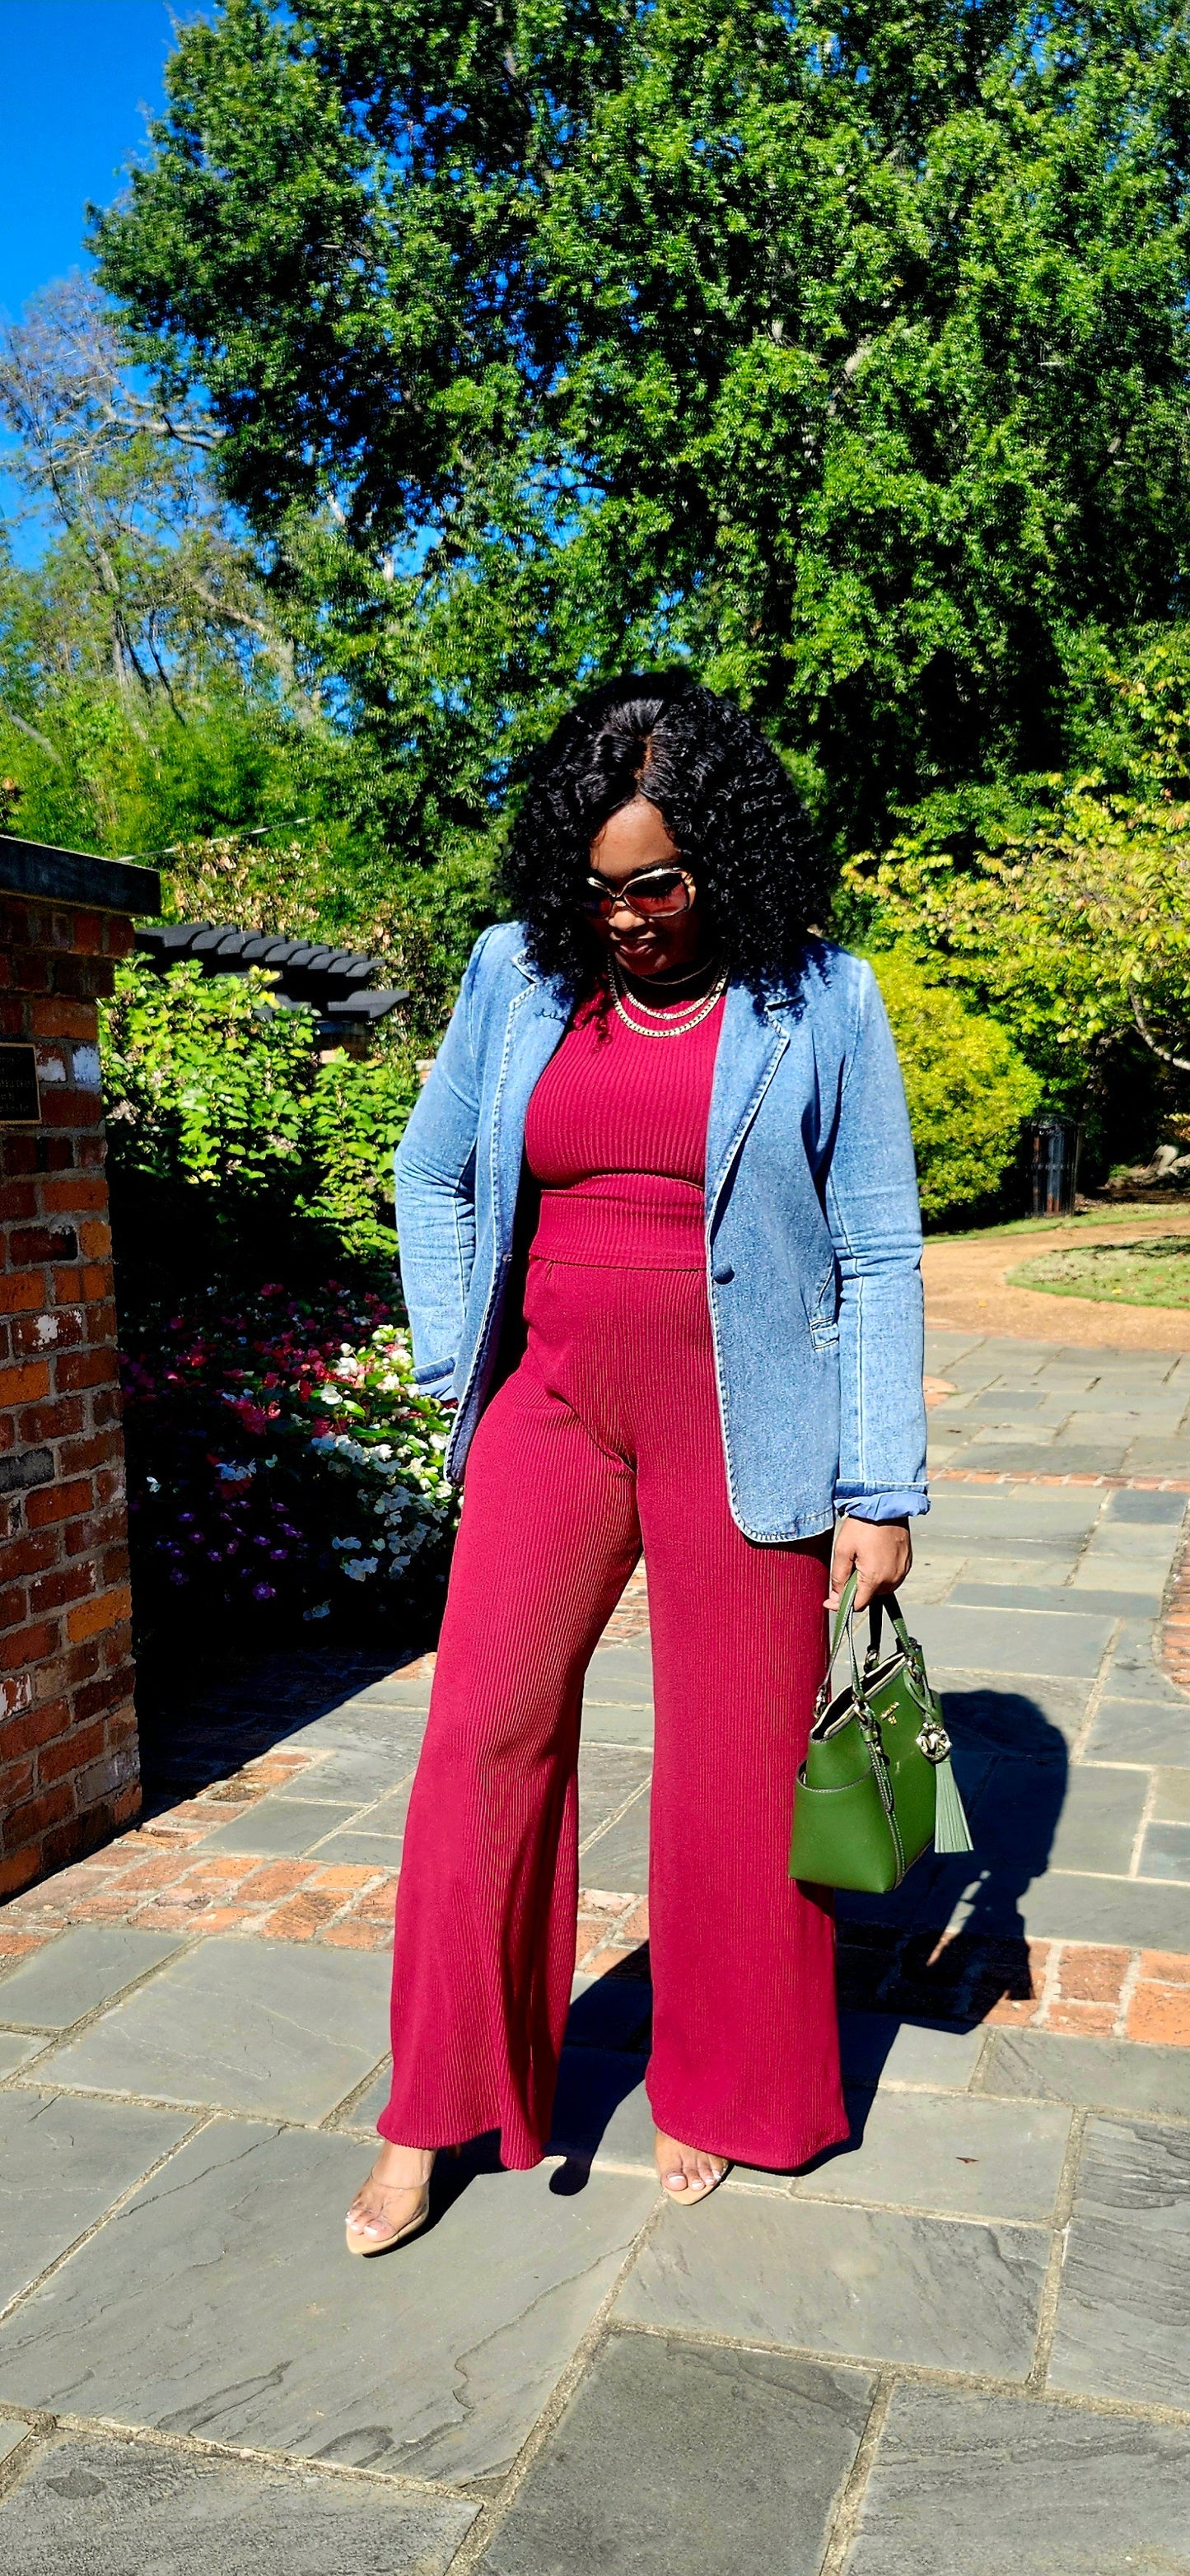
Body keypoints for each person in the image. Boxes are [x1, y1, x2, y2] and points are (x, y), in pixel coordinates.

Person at [346, 674, 927, 2254]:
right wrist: (455, 1365)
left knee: (735, 1768)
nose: (626, 917)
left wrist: (879, 1484)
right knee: (482, 1732)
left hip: (745, 1416)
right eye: (598, 887)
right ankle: (435, 2106)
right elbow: (434, 1176)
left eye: (656, 882)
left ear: (721, 856)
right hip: (550, 1403)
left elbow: (875, 1244)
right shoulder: (512, 978)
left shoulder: (824, 1000)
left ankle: (726, 2086)